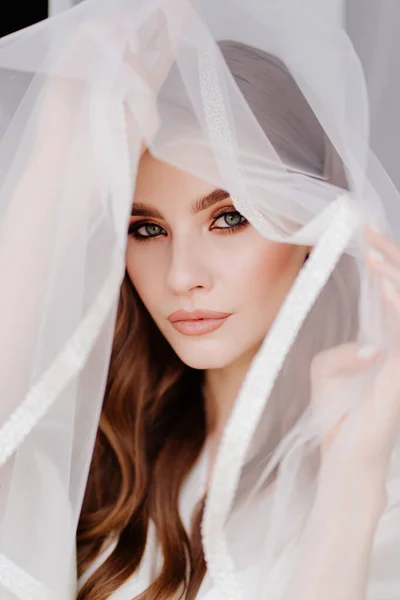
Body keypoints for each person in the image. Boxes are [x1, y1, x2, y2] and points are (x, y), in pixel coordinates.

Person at [0, 2, 400, 600]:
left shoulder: (376, 471)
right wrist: (59, 150)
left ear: (315, 224)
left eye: (229, 218)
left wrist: (354, 478)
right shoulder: (96, 463)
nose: (183, 276)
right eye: (146, 229)